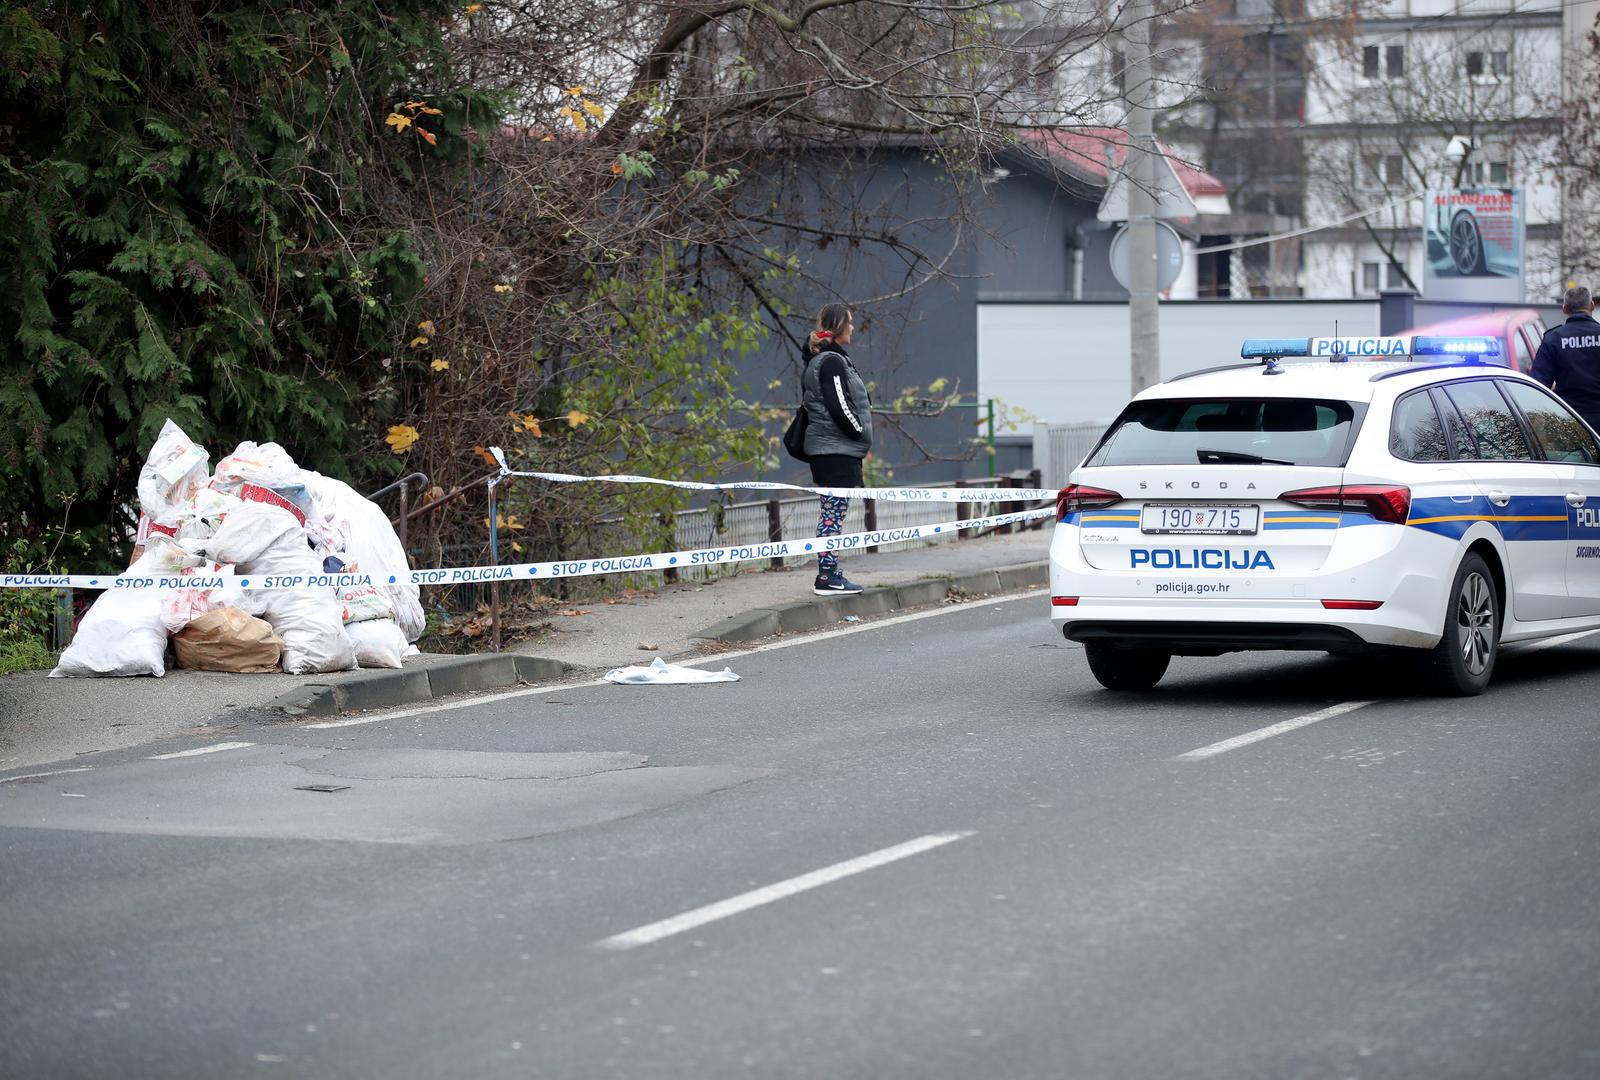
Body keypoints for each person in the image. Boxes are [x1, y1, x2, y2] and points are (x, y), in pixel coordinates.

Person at [799, 303, 873, 595]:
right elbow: (839, 405)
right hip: (835, 451)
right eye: (851, 323)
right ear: (839, 326)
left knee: (833, 512)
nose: (854, 328)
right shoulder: (831, 362)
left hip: (833, 449)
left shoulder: (827, 359)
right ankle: (827, 577)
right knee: (833, 512)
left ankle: (829, 573)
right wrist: (858, 432)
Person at [1531, 285, 1600, 434]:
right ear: (1592, 305)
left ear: (1565, 309)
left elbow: (1538, 385)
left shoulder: (1553, 339)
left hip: (1570, 421)